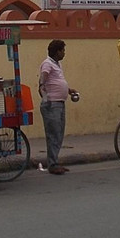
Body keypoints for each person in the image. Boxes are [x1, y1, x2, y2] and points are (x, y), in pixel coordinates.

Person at [38, 40, 78, 175]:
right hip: (52, 104)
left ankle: (54, 161)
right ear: (57, 51)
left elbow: (55, 82)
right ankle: (53, 164)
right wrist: (45, 96)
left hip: (59, 103)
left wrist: (68, 90)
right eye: (63, 50)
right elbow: (43, 80)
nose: (64, 53)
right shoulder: (47, 64)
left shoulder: (57, 64)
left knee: (58, 134)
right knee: (53, 134)